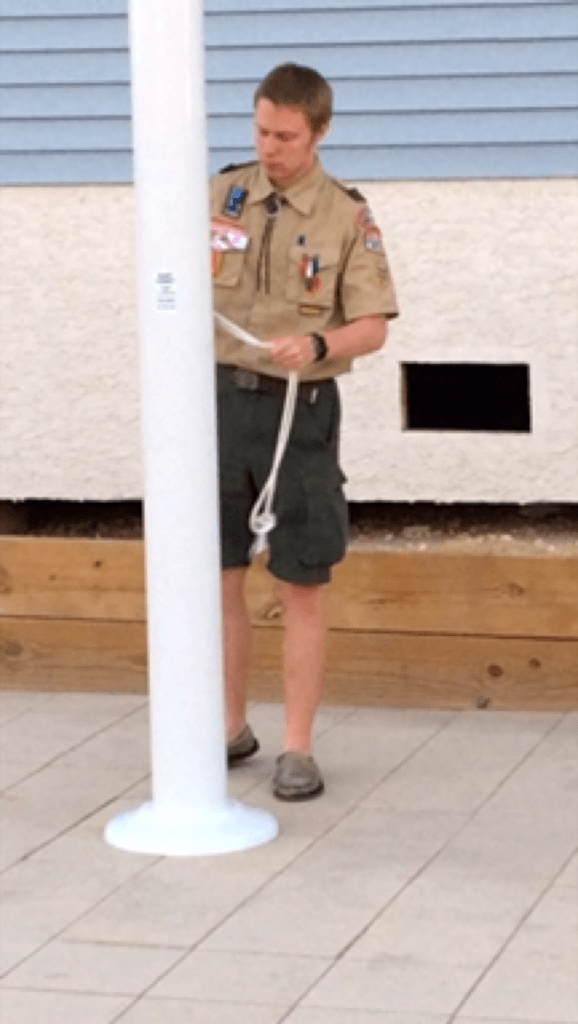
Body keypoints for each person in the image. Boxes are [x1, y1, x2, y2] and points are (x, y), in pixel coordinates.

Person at [211, 63, 398, 800]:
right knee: (219, 572)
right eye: (260, 131)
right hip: (219, 404)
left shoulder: (345, 216)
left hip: (301, 411)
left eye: (286, 136)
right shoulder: (220, 194)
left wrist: (319, 347)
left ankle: (297, 747)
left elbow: (374, 327)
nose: (270, 148)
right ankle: (230, 727)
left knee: (300, 579)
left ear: (319, 132)